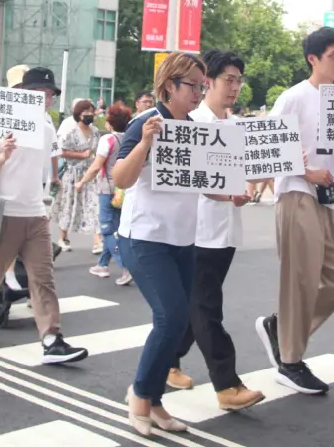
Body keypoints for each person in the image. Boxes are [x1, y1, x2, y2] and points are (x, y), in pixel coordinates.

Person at [112, 52, 248, 436]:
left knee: (178, 320)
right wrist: (145, 143)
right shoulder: (145, 123)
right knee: (170, 317)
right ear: (169, 85)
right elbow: (120, 178)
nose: (198, 93)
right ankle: (141, 395)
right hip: (145, 238)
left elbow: (204, 183)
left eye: (202, 86)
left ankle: (154, 401)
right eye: (192, 86)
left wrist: (231, 195)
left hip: (183, 240)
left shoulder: (194, 130)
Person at [255, 27, 334, 395]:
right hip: (298, 194)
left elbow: (333, 152)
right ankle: (290, 362)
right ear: (313, 59)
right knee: (300, 280)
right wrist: (306, 172)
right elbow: (268, 148)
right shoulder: (293, 98)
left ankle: (280, 327)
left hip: (330, 197)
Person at [0, 66, 88, 366]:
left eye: (50, 94)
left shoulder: (46, 126)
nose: (46, 99)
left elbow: (50, 160)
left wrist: (54, 180)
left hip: (35, 214)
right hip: (4, 211)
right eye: (41, 93)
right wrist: (3, 155)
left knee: (43, 278)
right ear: (24, 94)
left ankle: (52, 339)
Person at [169, 50, 266, 411]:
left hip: (226, 232)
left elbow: (249, 171)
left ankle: (168, 359)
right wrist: (226, 192)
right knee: (207, 306)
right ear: (207, 81)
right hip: (196, 232)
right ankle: (227, 385)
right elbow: (183, 179)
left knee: (197, 304)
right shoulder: (191, 123)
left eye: (239, 80)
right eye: (229, 79)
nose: (235, 87)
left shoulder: (237, 126)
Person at [76, 102, 133, 286]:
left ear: (110, 122)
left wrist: (82, 182)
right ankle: (102, 265)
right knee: (117, 229)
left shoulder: (107, 140)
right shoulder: (131, 138)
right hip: (124, 190)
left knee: (107, 230)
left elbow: (96, 166)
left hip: (107, 189)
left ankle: (126, 267)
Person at [52, 99, 100, 252]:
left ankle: (97, 241)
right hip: (72, 173)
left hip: (90, 173)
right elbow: (60, 151)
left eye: (92, 111)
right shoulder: (71, 131)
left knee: (94, 204)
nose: (90, 114)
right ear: (79, 114)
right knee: (69, 204)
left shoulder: (95, 131)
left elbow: (97, 151)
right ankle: (63, 237)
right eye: (86, 112)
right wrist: (81, 155)